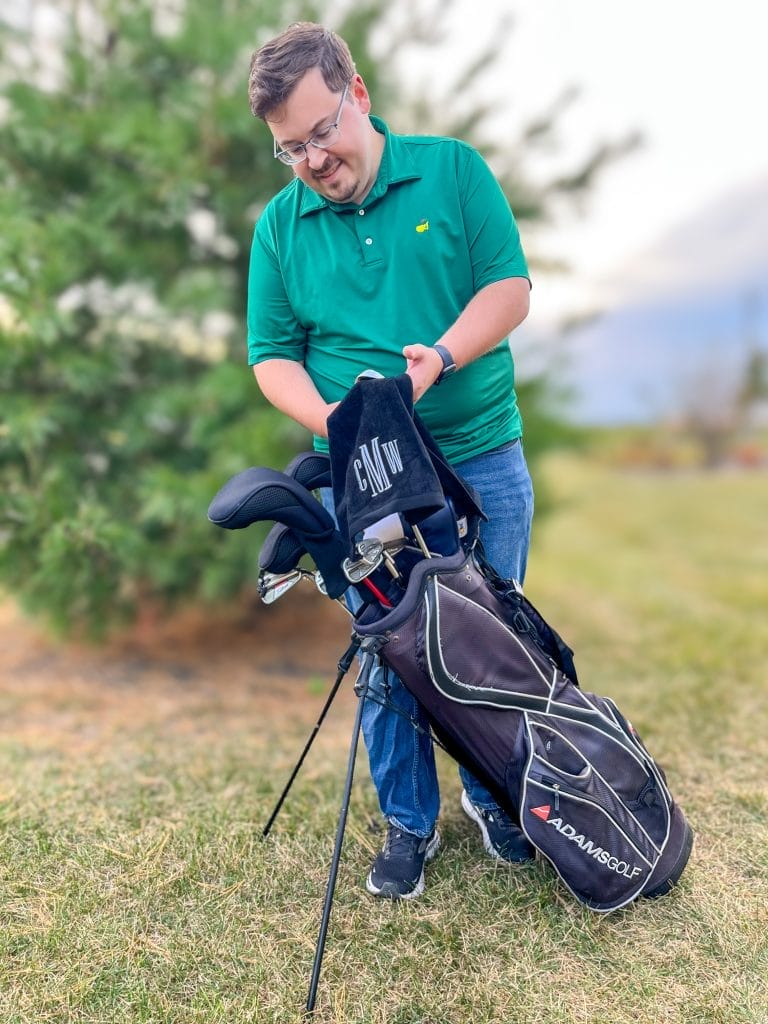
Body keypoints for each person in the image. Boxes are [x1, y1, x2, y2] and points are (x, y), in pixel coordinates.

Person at [247, 22, 535, 900]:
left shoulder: (451, 170)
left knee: (492, 639)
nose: (311, 160)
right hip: (363, 474)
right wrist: (335, 420)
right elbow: (271, 355)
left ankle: (497, 797)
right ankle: (408, 822)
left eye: (321, 131)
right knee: (387, 647)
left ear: (357, 94)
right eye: (290, 148)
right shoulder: (281, 225)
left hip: (480, 451)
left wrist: (439, 359)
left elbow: (510, 288)